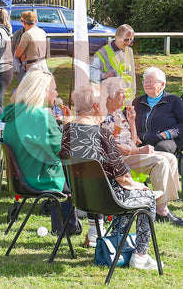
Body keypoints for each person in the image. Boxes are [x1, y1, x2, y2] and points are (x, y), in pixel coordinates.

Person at [60, 83, 160, 270]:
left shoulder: (68, 130)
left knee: (135, 195)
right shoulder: (103, 134)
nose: (106, 109)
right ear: (97, 107)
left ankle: (113, 246)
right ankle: (140, 255)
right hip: (108, 199)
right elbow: (123, 177)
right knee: (149, 198)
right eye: (104, 105)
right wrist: (141, 187)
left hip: (82, 198)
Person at [102, 77, 183, 226]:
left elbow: (132, 139)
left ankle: (164, 204)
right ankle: (161, 210)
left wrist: (132, 123)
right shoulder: (103, 116)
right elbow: (113, 147)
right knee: (160, 161)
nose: (126, 97)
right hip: (119, 159)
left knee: (170, 158)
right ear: (110, 96)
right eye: (121, 93)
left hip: (130, 153)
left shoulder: (119, 112)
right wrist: (139, 151)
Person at [1, 70, 70, 192]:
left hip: (22, 178)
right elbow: (64, 152)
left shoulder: (16, 112)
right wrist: (69, 125)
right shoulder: (40, 117)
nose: (57, 93)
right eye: (54, 89)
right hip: (43, 179)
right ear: (43, 90)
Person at [133, 67, 183, 155]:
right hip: (141, 141)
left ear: (162, 84)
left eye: (151, 82)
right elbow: (125, 120)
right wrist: (134, 135)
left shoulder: (173, 100)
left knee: (161, 149)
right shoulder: (137, 102)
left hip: (167, 140)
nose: (147, 84)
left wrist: (167, 134)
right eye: (145, 81)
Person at [90, 24, 136, 101]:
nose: (129, 42)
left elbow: (132, 75)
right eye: (126, 39)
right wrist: (104, 75)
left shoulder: (129, 51)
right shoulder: (103, 53)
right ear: (117, 36)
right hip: (111, 100)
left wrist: (133, 94)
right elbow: (91, 71)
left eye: (131, 39)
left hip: (127, 100)